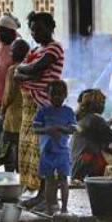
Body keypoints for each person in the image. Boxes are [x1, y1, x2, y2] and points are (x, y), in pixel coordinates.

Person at [16, 12, 65, 206]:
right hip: (30, 108)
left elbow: (34, 68)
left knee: (44, 152)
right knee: (32, 153)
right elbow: (23, 68)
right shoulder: (36, 48)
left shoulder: (55, 48)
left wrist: (25, 74)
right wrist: (27, 73)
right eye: (33, 30)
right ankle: (41, 195)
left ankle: (46, 196)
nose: (35, 33)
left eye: (40, 29)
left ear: (51, 28)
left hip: (44, 105)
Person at [32, 81, 77, 214]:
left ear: (65, 95)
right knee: (49, 181)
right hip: (46, 151)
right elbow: (35, 128)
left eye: (60, 95)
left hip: (62, 152)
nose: (56, 98)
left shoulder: (68, 112)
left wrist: (60, 128)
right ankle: (49, 206)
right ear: (48, 95)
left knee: (63, 180)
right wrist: (48, 129)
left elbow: (73, 128)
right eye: (53, 94)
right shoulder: (43, 111)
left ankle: (64, 208)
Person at [0, 39, 30, 172]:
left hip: (13, 118)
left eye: (11, 51)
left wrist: (2, 110)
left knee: (7, 151)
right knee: (22, 151)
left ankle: (9, 179)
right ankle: (21, 178)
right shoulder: (31, 68)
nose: (9, 54)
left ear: (15, 53)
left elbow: (9, 94)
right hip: (26, 115)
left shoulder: (13, 70)